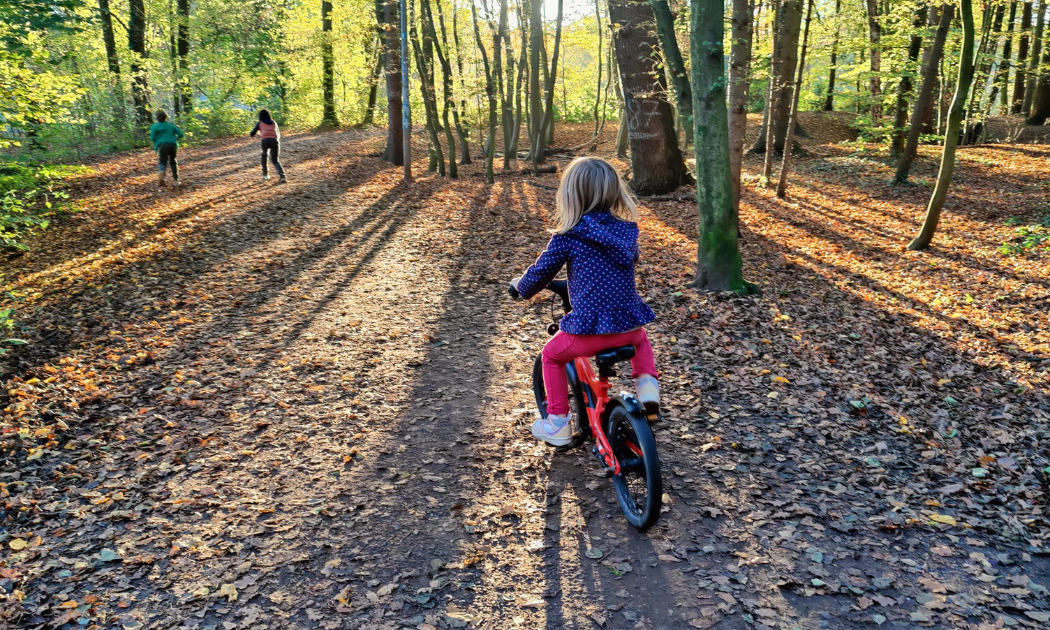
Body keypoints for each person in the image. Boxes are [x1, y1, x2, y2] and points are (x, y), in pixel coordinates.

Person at [511, 157, 660, 447]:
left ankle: (557, 424)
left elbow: (540, 274)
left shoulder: (570, 236)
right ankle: (649, 394)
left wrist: (522, 287)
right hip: (628, 327)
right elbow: (631, 260)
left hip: (589, 333)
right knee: (641, 341)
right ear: (614, 192)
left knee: (552, 356)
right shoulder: (627, 232)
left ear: (570, 195)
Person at [149, 110, 184, 187]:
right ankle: (176, 180)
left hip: (162, 145)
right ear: (165, 118)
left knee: (162, 162)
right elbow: (181, 134)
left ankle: (162, 174)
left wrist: (158, 139)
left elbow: (152, 138)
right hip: (172, 144)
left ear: (157, 118)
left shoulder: (155, 126)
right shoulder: (171, 125)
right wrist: (176, 137)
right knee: (173, 161)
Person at [250, 109, 286, 183]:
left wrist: (255, 134)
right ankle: (282, 176)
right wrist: (276, 140)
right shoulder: (274, 122)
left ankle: (265, 175)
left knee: (264, 156)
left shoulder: (260, 123)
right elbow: (278, 133)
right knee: (275, 160)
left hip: (265, 141)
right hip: (274, 140)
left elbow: (252, 133)